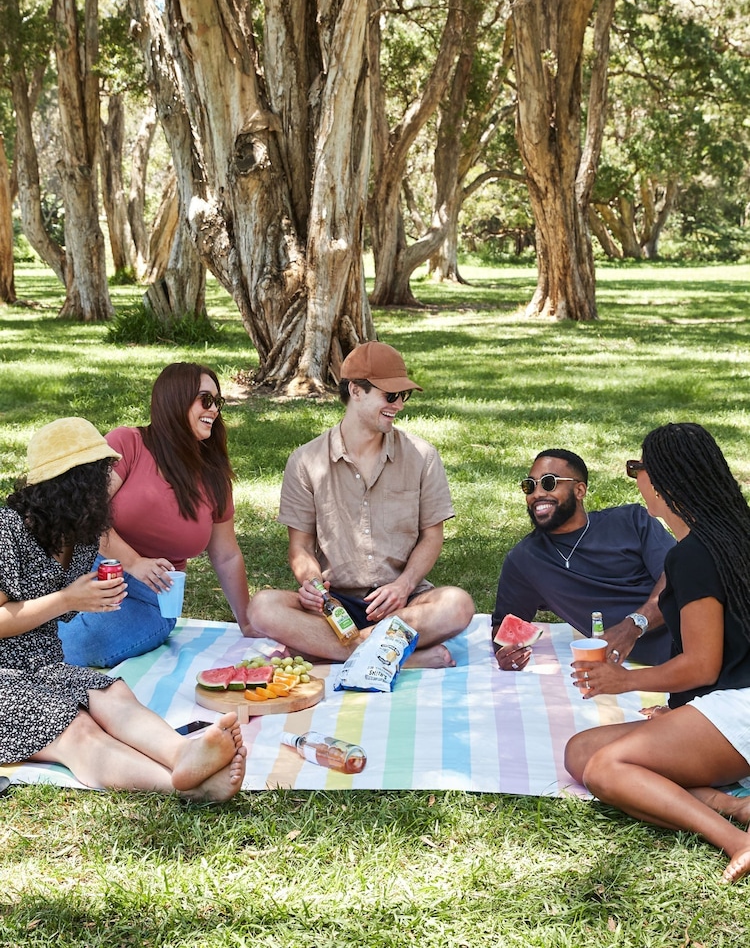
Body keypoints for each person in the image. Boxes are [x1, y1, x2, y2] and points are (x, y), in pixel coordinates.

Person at [0, 417, 246, 801]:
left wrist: (94, 598)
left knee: (111, 693)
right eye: (97, 476)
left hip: (42, 664)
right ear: (67, 484)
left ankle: (183, 754)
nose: (105, 487)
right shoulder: (8, 531)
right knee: (78, 730)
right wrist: (68, 601)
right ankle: (182, 788)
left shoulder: (78, 534)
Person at [564, 423, 750, 884]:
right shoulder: (726, 536)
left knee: (607, 769)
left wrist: (623, 680)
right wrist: (679, 712)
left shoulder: (695, 555)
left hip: (742, 708)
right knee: (580, 753)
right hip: (732, 699)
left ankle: (737, 841)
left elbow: (702, 664)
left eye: (637, 467)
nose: (636, 479)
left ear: (666, 481)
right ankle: (734, 805)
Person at [247, 341, 475, 667]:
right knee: (262, 607)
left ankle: (327, 650)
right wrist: (314, 588)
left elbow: (432, 536)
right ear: (356, 391)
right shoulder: (306, 460)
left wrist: (403, 585)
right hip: (335, 604)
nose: (398, 405)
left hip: (405, 601)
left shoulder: (422, 456)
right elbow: (300, 547)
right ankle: (402, 657)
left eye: (403, 396)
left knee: (458, 605)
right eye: (390, 396)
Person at [58, 362, 254, 667]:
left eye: (218, 401)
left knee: (82, 645)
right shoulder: (129, 443)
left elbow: (226, 555)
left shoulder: (214, 476)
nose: (214, 409)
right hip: (88, 566)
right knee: (34, 621)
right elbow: (84, 513)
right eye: (205, 399)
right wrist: (134, 562)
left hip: (151, 597)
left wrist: (247, 620)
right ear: (175, 399)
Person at [493, 448, 674, 672]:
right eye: (529, 486)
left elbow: (680, 578)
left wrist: (633, 626)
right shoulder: (525, 560)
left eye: (549, 483)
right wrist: (506, 653)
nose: (536, 494)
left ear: (579, 490)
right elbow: (503, 626)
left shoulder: (633, 522)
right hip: (665, 664)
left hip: (700, 635)